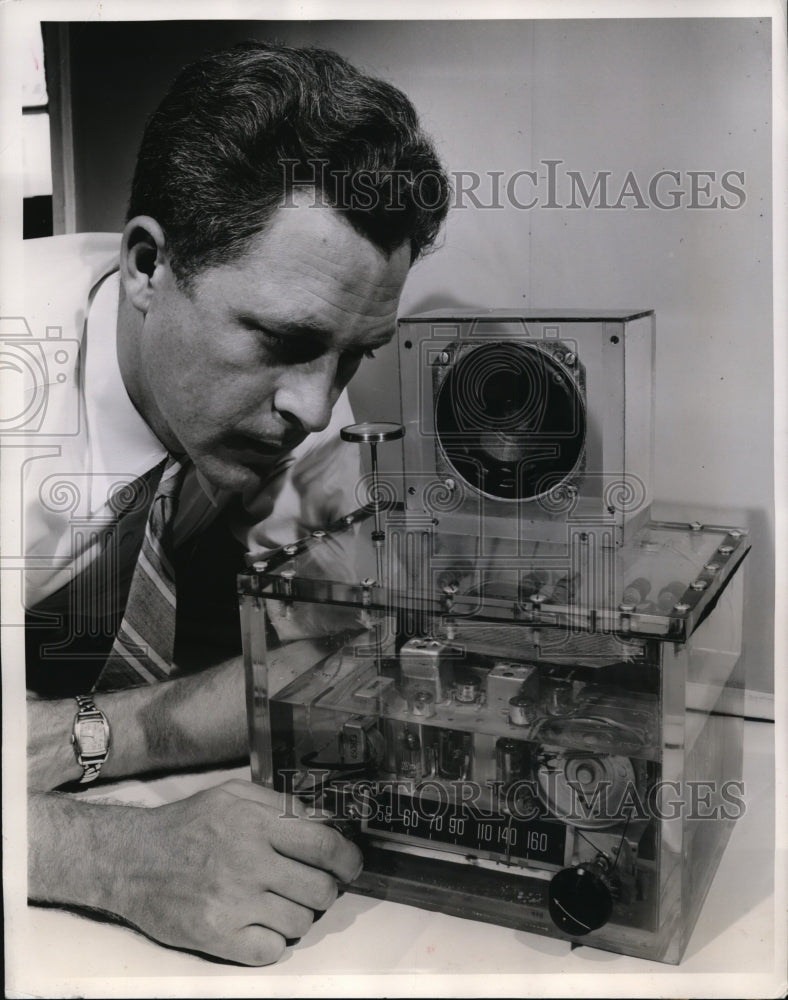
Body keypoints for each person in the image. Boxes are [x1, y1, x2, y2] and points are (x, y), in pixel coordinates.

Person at [24, 40, 449, 966]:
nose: (317, 407)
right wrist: (118, 863)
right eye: (287, 340)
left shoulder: (301, 376)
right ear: (147, 267)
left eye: (355, 355)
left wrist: (83, 738)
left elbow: (346, 649)